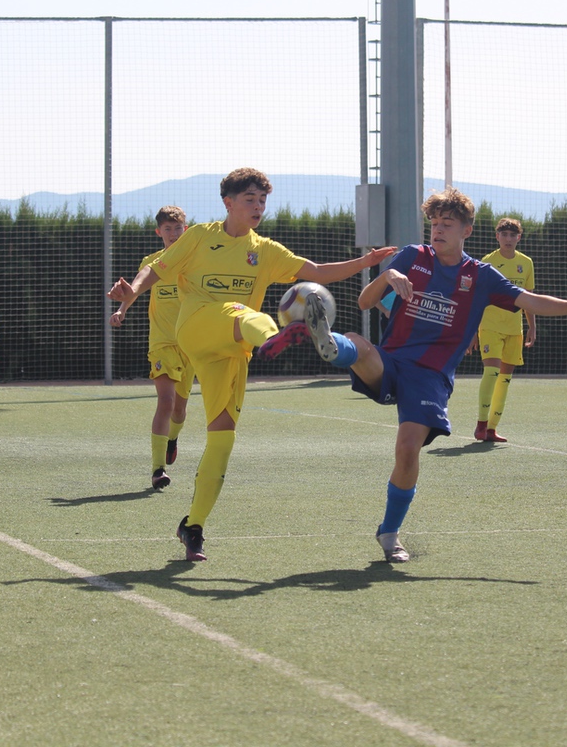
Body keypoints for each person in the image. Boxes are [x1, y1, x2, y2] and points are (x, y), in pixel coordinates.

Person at [271, 188, 567, 563]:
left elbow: (531, 301)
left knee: (408, 449)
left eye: (447, 224)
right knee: (358, 344)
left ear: (467, 230)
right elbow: (366, 301)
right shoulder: (412, 257)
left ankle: (389, 533)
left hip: (431, 376)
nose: (437, 230)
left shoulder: (481, 276)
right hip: (393, 361)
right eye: (433, 223)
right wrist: (390, 275)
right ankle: (329, 344)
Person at [107, 168, 396, 561]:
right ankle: (276, 335)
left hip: (233, 350)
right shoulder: (199, 237)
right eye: (250, 199)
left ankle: (193, 525)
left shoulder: (266, 250)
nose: (258, 206)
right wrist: (133, 292)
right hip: (198, 328)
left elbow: (318, 273)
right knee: (241, 310)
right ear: (228, 202)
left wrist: (367, 261)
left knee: (222, 440)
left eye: (262, 200)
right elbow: (155, 269)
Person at [109, 206, 195, 490]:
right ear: (159, 233)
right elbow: (137, 287)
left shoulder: (196, 261)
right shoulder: (152, 262)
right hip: (162, 344)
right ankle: (158, 470)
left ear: (186, 229)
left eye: (177, 227)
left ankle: (172, 438)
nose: (173, 233)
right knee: (166, 402)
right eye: (167, 229)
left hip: (191, 344)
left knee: (180, 411)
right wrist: (122, 309)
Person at [470, 217, 536, 443]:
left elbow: (529, 299)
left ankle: (491, 429)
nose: (508, 239)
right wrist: (472, 331)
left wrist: (531, 327)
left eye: (512, 235)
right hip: (489, 326)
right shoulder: (487, 262)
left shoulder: (526, 262)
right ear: (497, 237)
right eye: (504, 234)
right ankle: (480, 423)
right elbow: (476, 298)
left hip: (514, 329)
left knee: (505, 379)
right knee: (491, 372)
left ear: (519, 237)